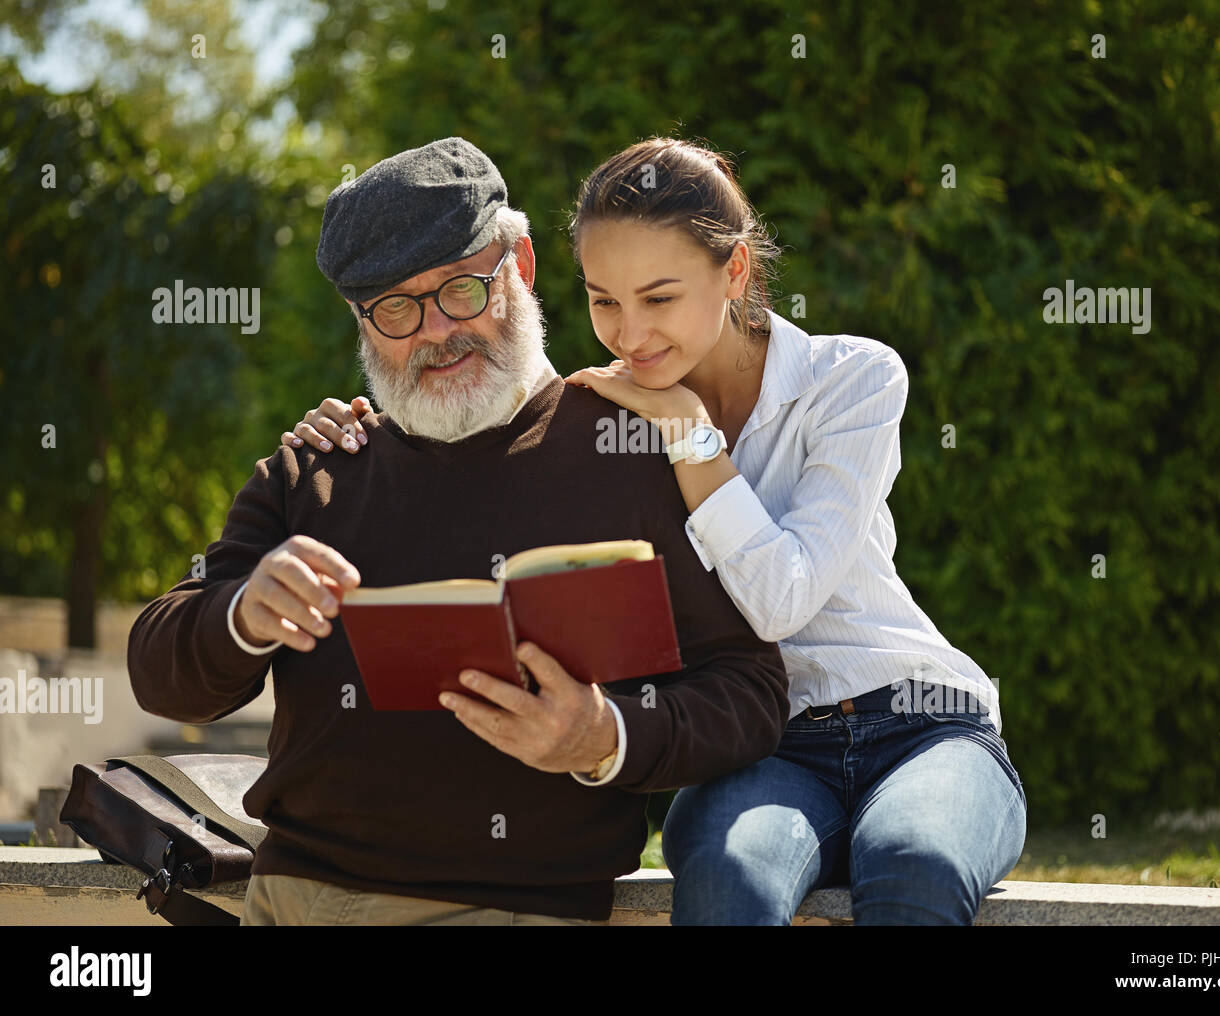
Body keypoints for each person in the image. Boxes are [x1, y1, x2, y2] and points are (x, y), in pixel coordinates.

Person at [285, 137, 1027, 926]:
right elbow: (466, 426)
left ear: (733, 272)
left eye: (660, 297)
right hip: (762, 753)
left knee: (915, 864)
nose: (630, 334)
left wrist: (689, 432)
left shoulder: (851, 380)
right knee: (726, 880)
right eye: (605, 300)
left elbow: (785, 601)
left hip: (921, 723)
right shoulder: (599, 415)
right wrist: (346, 423)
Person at [127, 136, 789, 926]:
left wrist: (602, 737)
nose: (438, 331)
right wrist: (240, 613)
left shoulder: (636, 450)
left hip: (508, 910)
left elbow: (748, 694)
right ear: (360, 321)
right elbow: (160, 675)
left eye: (463, 291)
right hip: (291, 901)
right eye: (397, 309)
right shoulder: (315, 468)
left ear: (522, 268)